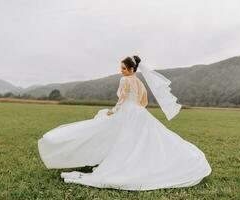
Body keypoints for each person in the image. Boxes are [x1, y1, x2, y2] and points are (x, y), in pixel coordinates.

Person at [37, 55, 211, 191]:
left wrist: (115, 111)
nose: (121, 71)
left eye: (123, 68)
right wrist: (135, 110)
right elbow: (143, 102)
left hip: (126, 111)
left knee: (108, 128)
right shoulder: (140, 83)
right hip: (139, 113)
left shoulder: (125, 80)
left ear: (130, 69)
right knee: (136, 139)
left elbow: (122, 99)